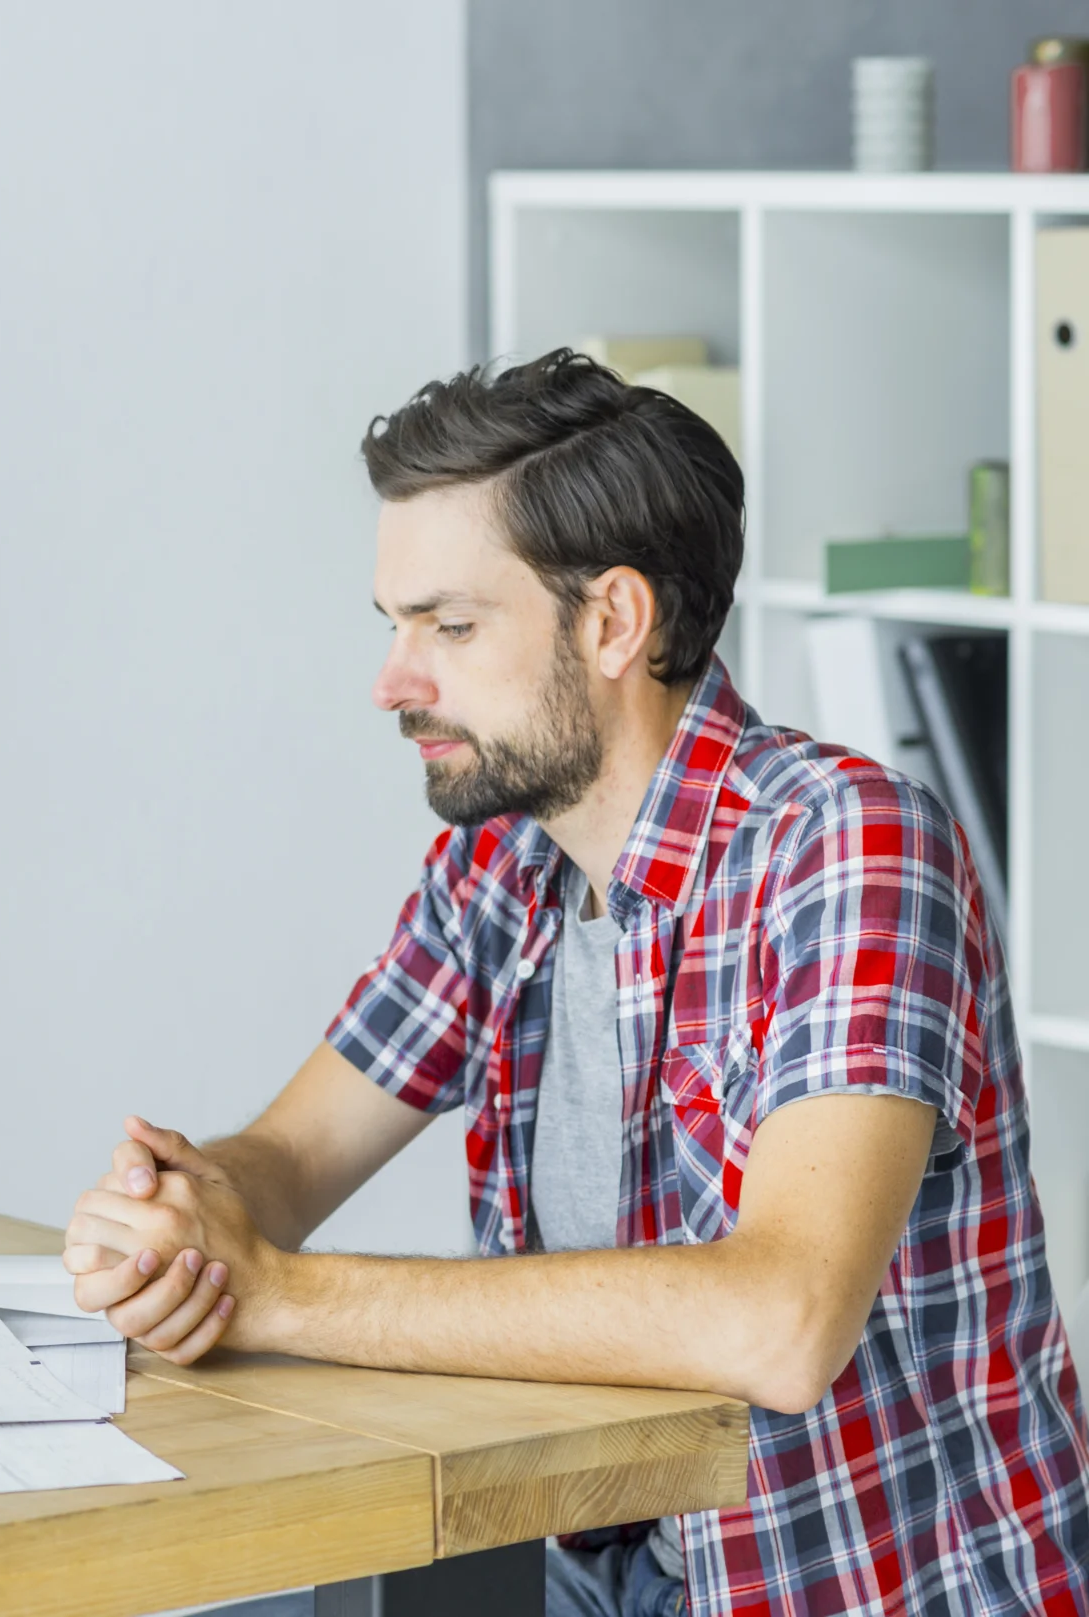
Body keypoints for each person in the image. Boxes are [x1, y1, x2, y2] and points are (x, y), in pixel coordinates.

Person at [63, 352, 1089, 1615]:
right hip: (594, 1572)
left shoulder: (846, 847)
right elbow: (290, 1159)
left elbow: (779, 1318)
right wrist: (185, 1217)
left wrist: (277, 1294)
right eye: (391, 627)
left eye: (447, 626)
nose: (392, 682)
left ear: (612, 622)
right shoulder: (500, 865)